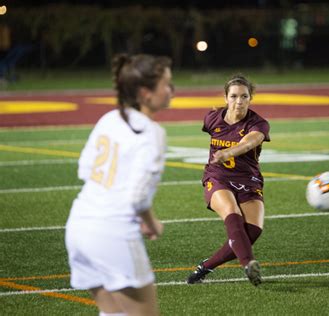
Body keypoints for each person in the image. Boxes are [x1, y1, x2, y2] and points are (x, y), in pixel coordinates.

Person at [65, 53, 173, 316]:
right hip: (112, 234)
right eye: (167, 85)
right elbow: (137, 198)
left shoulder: (109, 118)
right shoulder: (152, 133)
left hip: (78, 227)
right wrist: (150, 220)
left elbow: (85, 168)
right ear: (146, 93)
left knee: (112, 313)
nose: (171, 91)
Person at [187, 75, 270, 286]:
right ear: (226, 97)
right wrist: (221, 159)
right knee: (232, 215)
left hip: (248, 180)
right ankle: (249, 263)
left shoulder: (258, 123)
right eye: (233, 96)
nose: (239, 101)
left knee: (253, 230)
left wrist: (229, 152)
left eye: (244, 96)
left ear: (251, 98)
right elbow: (212, 125)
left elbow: (251, 142)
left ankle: (206, 266)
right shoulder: (212, 118)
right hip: (217, 177)